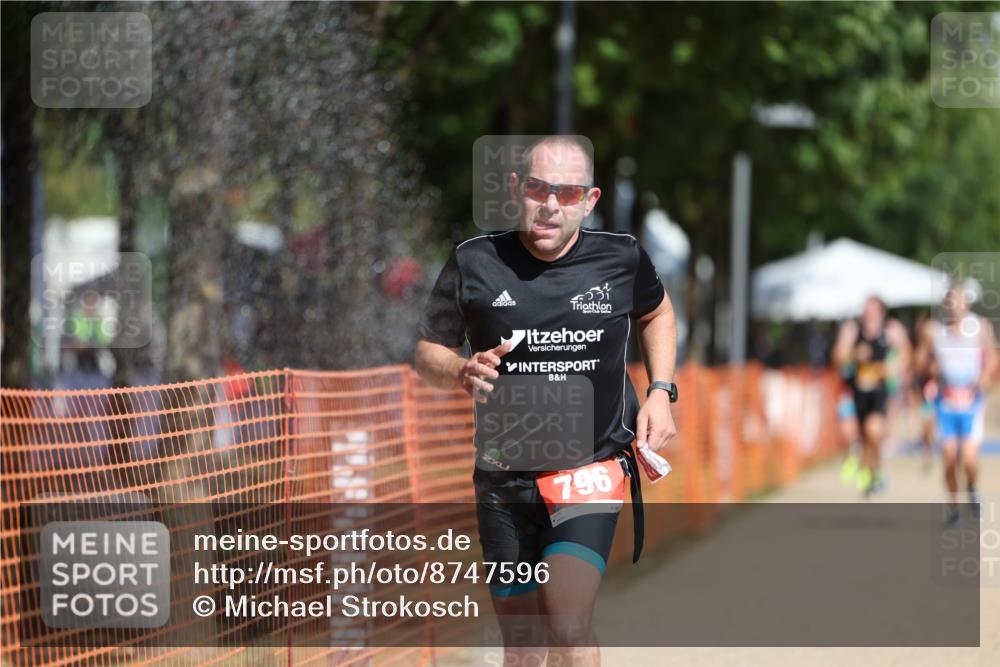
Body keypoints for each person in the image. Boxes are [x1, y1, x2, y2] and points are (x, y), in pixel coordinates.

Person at [415, 135, 677, 666]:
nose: (551, 204)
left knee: (566, 618)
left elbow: (658, 313)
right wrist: (461, 370)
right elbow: (426, 351)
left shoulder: (621, 258)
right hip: (503, 480)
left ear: (590, 199)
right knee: (524, 645)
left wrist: (661, 392)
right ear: (516, 189)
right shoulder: (474, 261)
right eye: (538, 188)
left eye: (568, 191)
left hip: (589, 469)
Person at [916, 285, 997, 524]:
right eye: (951, 301)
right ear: (945, 304)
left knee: (970, 459)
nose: (956, 306)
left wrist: (984, 376)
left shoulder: (979, 327)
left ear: (967, 304)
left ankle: (972, 487)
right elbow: (919, 360)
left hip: (971, 403)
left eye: (961, 301)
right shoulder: (934, 330)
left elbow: (992, 356)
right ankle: (953, 507)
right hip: (946, 403)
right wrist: (929, 367)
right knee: (950, 458)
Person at [832, 296, 911, 496]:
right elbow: (837, 356)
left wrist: (892, 368)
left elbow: (906, 353)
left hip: (878, 394)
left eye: (873, 309)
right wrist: (853, 355)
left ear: (882, 311)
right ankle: (870, 470)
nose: (869, 313)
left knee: (873, 432)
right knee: (850, 435)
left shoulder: (892, 329)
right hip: (854, 392)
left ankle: (871, 473)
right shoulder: (852, 330)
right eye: (866, 309)